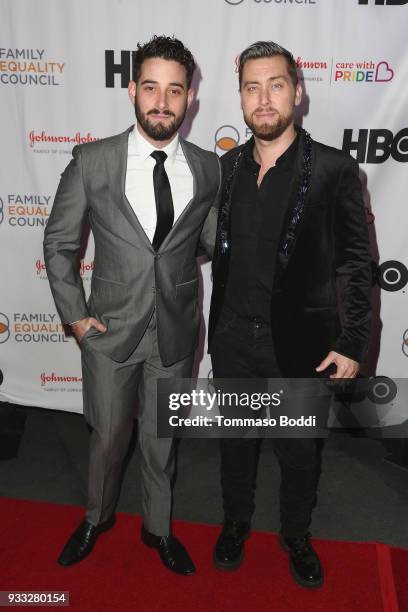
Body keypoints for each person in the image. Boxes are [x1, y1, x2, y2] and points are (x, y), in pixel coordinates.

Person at [44, 35, 221, 575]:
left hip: (175, 328)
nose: (162, 102)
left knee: (161, 440)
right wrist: (76, 317)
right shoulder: (92, 161)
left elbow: (210, 242)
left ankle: (159, 529)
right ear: (131, 91)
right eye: (151, 88)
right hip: (109, 333)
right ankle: (95, 519)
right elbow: (60, 244)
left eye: (174, 90)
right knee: (108, 440)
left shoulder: (210, 168)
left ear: (189, 98)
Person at [208, 41, 372, 588]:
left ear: (297, 93)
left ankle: (295, 535)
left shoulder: (332, 169)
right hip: (232, 339)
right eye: (252, 87)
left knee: (300, 454)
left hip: (301, 345)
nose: (264, 98)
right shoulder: (225, 169)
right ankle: (235, 524)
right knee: (236, 446)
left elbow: (354, 262)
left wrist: (352, 340)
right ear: (240, 96)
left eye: (275, 85)